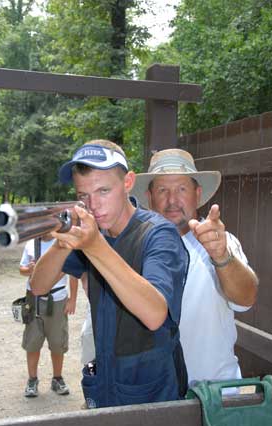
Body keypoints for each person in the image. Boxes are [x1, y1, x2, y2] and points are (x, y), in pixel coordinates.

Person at [30, 139, 189, 408]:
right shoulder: (92, 231)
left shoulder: (158, 234)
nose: (93, 205)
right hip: (106, 380)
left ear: (128, 182)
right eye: (83, 195)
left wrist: (95, 246)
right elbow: (38, 286)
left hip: (153, 391)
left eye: (103, 190)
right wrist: (61, 242)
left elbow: (154, 314)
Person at [132, 148, 258, 387]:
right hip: (154, 395)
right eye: (162, 190)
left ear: (197, 194)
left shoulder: (223, 242)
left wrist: (221, 256)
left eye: (181, 189)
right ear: (149, 197)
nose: (172, 200)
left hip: (216, 394)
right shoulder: (134, 247)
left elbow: (246, 300)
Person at [19, 233, 77, 398]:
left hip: (58, 298)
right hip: (34, 299)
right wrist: (28, 270)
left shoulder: (63, 244)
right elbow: (21, 269)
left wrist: (72, 299)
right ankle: (32, 380)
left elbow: (73, 273)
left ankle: (57, 378)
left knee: (58, 341)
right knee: (32, 341)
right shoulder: (31, 244)